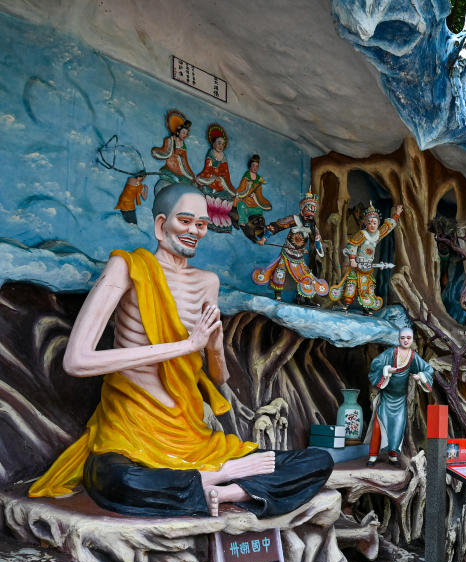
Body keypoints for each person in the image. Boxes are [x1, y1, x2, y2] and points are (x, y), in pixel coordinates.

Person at [28, 185, 333, 517]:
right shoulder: (128, 268)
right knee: (119, 480)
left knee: (317, 461)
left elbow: (218, 377)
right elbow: (77, 360)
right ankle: (217, 477)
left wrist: (214, 344)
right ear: (161, 226)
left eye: (201, 224)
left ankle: (230, 492)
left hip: (190, 436)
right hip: (129, 433)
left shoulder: (207, 283)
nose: (194, 231)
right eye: (185, 221)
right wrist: (184, 346)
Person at [365, 327, 433, 467]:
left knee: (397, 428)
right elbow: (376, 363)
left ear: (412, 339)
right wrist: (386, 370)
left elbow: (428, 369)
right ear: (399, 339)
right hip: (385, 398)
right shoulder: (391, 353)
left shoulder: (413, 356)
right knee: (378, 427)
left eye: (408, 338)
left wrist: (420, 376)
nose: (405, 340)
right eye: (403, 337)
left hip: (400, 400)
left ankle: (393, 456)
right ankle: (372, 456)